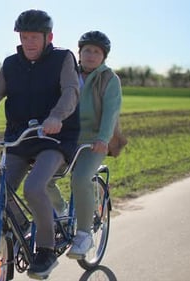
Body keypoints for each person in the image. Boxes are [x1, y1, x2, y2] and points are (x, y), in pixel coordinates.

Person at [0, 9, 80, 279]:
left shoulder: (63, 58)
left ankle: (46, 250)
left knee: (35, 186)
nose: (29, 42)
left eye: (34, 37)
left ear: (49, 37)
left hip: (54, 138)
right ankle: (25, 227)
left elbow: (71, 91)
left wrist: (56, 116)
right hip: (19, 138)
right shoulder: (11, 64)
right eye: (24, 37)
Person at [65, 31, 122, 259]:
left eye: (96, 51)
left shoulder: (109, 79)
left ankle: (84, 234)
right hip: (68, 138)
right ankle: (60, 210)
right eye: (86, 50)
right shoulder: (69, 74)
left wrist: (103, 138)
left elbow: (111, 112)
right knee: (42, 176)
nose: (90, 55)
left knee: (80, 179)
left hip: (95, 141)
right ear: (79, 53)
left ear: (103, 57)